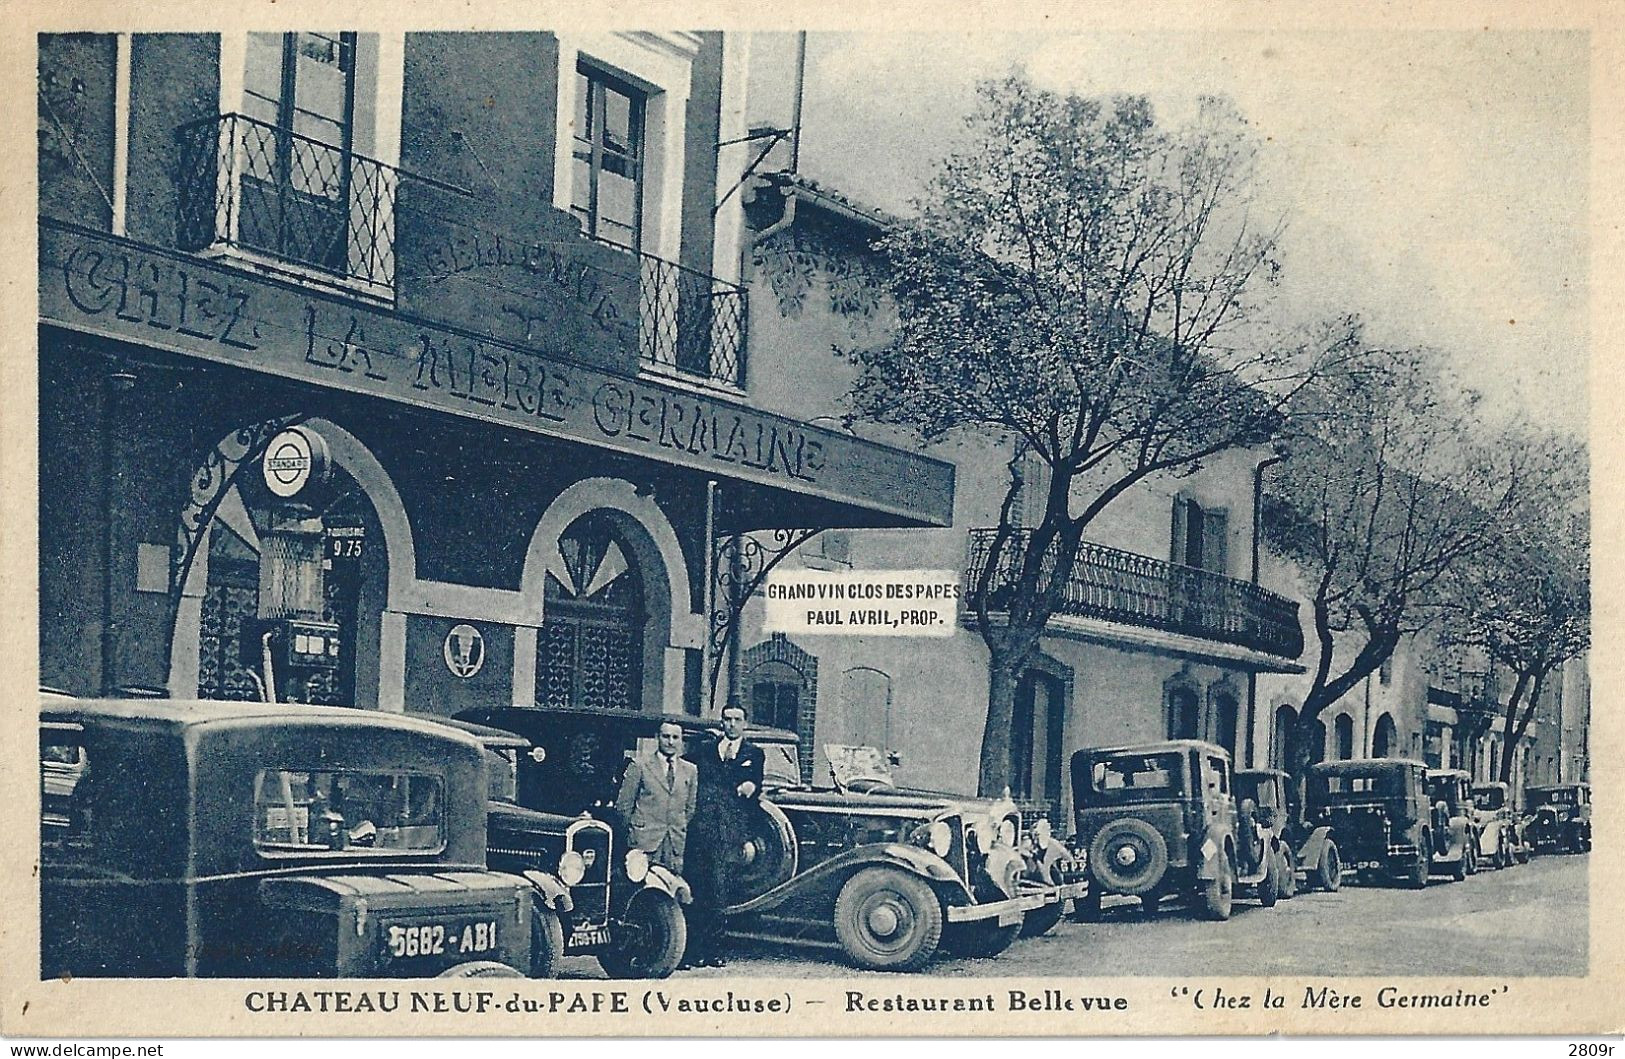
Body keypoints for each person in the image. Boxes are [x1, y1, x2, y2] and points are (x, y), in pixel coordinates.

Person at [682, 704, 764, 968]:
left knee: (718, 892)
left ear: (745, 724)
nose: (731, 724)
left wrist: (751, 787)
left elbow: (754, 787)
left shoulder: (754, 754)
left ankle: (713, 951)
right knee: (695, 888)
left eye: (736, 720)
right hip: (700, 829)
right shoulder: (706, 751)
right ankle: (691, 951)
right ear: (721, 722)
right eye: (727, 719)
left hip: (729, 832)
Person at [614, 721, 699, 873]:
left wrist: (676, 827)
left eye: (675, 737)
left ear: (681, 740)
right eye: (666, 736)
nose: (670, 742)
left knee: (671, 888)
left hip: (673, 845)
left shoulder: (690, 770)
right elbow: (624, 806)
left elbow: (689, 808)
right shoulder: (640, 765)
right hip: (644, 843)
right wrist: (636, 832)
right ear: (657, 737)